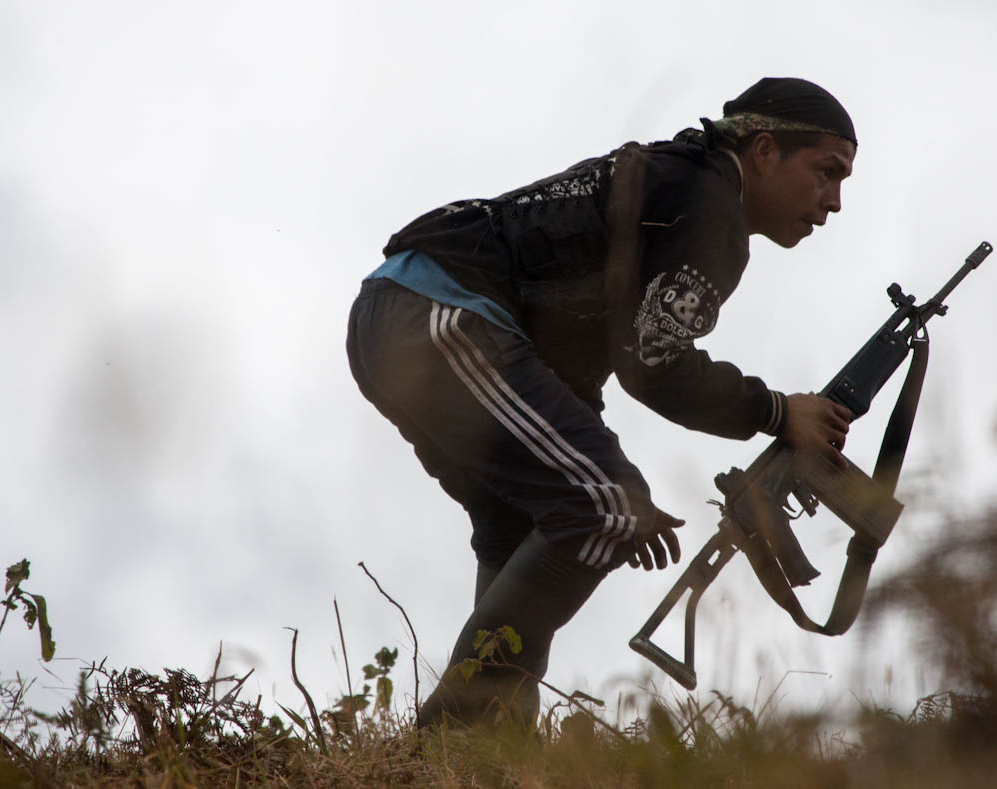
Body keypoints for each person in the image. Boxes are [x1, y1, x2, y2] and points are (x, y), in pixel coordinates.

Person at [346, 77, 857, 727]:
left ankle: (493, 754)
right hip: (436, 313)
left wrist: (592, 458)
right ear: (763, 151)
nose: (835, 201)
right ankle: (445, 744)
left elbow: (578, 341)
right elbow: (653, 364)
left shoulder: (676, 180)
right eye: (827, 171)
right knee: (600, 504)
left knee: (533, 528)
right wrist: (779, 412)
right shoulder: (710, 206)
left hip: (407, 314)